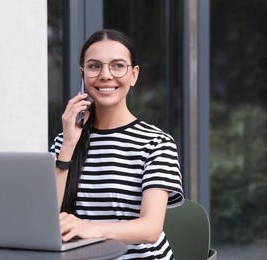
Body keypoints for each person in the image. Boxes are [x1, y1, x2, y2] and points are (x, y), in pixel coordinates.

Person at [50, 29, 184, 260]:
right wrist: (69, 144)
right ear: (82, 74)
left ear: (133, 75)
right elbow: (46, 218)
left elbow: (150, 229)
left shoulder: (157, 143)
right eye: (93, 66)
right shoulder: (65, 141)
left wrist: (90, 228)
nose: (105, 75)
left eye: (117, 66)